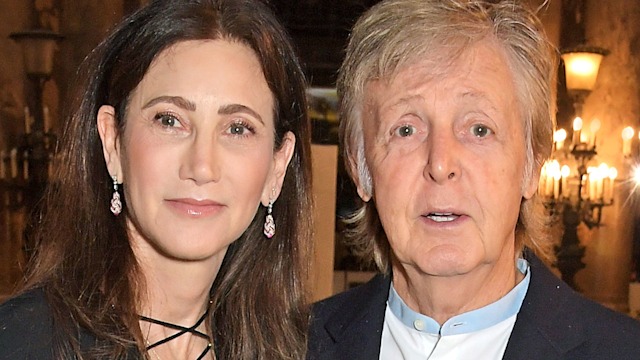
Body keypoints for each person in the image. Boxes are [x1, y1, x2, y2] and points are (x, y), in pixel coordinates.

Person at [307, 0, 640, 359]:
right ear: (361, 168)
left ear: (531, 165)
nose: (440, 164)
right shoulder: (291, 345)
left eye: (479, 129)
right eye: (405, 129)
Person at [0, 0, 313, 358]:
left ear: (277, 166)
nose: (202, 167)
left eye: (238, 128)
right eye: (169, 120)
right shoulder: (22, 342)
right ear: (113, 143)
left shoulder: (299, 348)